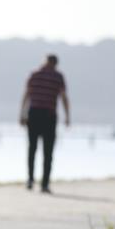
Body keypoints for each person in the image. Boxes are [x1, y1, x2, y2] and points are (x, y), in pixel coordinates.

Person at [19, 54, 69, 193]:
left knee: (32, 149)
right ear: (56, 64)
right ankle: (44, 184)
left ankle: (30, 180)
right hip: (48, 115)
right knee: (48, 151)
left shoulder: (34, 75)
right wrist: (67, 116)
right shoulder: (58, 76)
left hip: (34, 114)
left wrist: (22, 114)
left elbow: (26, 95)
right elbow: (64, 97)